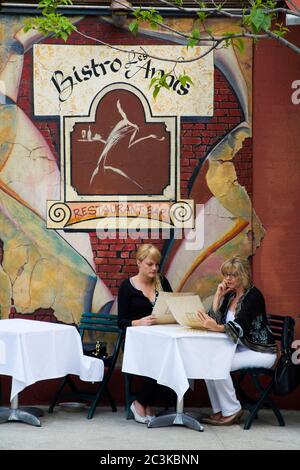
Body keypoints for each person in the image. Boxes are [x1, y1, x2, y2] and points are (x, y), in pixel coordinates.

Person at [196, 256, 277, 426]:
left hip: (260, 351)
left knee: (218, 363)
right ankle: (220, 411)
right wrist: (218, 296)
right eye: (226, 275)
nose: (228, 279)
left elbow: (239, 327)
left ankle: (232, 410)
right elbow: (215, 321)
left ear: (244, 275)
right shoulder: (230, 295)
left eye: (233, 275)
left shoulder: (254, 296)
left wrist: (216, 327)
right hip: (241, 348)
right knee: (206, 363)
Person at [118, 243, 173, 424]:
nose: (154, 268)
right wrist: (138, 322)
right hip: (135, 342)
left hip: (161, 338)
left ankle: (145, 401)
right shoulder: (127, 287)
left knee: (170, 355)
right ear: (139, 262)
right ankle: (140, 402)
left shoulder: (162, 283)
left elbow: (174, 307)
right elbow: (121, 322)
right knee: (160, 356)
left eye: (157, 264)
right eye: (150, 264)